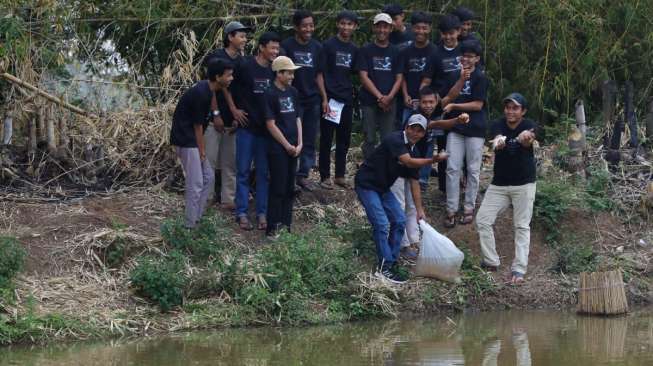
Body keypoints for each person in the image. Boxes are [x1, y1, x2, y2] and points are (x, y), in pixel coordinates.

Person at [355, 114, 448, 284]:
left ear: (423, 134)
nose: (415, 133)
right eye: (413, 128)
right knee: (382, 224)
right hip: (367, 185)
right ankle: (385, 267)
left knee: (399, 220)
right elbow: (408, 162)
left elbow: (414, 183)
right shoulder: (395, 139)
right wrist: (433, 159)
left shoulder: (415, 151)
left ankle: (390, 261)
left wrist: (420, 210)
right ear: (406, 128)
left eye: (420, 131)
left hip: (382, 188)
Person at [391, 87, 466, 258]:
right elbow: (438, 124)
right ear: (419, 102)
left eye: (431, 102)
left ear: (436, 101)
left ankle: (413, 241)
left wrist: (462, 78)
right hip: (400, 166)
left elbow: (451, 95)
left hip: (414, 166)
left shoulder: (435, 110)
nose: (428, 105)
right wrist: (456, 121)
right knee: (400, 205)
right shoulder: (416, 117)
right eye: (424, 102)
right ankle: (402, 245)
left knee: (412, 206)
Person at [476, 93, 537, 285]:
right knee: (482, 220)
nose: (510, 111)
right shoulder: (497, 124)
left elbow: (529, 139)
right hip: (499, 184)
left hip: (524, 184)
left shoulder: (529, 125)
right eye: (508, 107)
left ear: (523, 111)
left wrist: (525, 138)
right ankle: (491, 261)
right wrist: (499, 142)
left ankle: (519, 270)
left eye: (515, 108)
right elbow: (496, 140)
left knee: (521, 226)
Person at [170, 59, 234, 228]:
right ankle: (190, 225)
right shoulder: (201, 93)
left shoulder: (208, 90)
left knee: (208, 177)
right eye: (228, 75)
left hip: (193, 140)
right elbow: (198, 126)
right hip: (186, 139)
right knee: (196, 182)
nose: (231, 78)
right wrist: (202, 151)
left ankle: (197, 217)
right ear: (217, 76)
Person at [232, 32, 281, 231]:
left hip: (265, 131)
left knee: (263, 174)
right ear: (261, 47)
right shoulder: (245, 66)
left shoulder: (275, 70)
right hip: (246, 128)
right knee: (242, 171)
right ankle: (241, 213)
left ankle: (262, 213)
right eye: (272, 48)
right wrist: (233, 110)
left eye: (277, 49)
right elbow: (228, 87)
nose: (275, 52)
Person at [202, 21, 250, 210]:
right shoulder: (216, 58)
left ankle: (228, 200)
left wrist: (237, 115)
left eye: (245, 37)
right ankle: (206, 199)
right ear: (230, 37)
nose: (244, 40)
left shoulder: (243, 62)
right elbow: (212, 89)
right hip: (214, 118)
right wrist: (216, 114)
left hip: (233, 120)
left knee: (231, 163)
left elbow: (240, 91)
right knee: (210, 161)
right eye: (241, 36)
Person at [441, 39, 488, 228]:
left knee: (473, 169)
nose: (466, 59)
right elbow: (446, 100)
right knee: (452, 168)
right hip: (456, 128)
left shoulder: (481, 78)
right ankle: (451, 209)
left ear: (477, 59)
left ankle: (469, 207)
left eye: (470, 56)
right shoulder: (453, 74)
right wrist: (461, 79)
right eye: (464, 56)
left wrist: (455, 106)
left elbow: (478, 104)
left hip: (475, 128)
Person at [281, 10, 325, 191]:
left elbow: (319, 75)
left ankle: (303, 174)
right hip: (292, 99)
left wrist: (324, 98)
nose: (309, 29)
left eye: (311, 25)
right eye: (305, 26)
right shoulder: (286, 46)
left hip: (312, 99)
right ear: (296, 27)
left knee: (309, 137)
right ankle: (288, 174)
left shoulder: (317, 47)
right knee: (290, 136)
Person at [420, 14, 463, 196]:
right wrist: (430, 101)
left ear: (458, 32)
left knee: (463, 146)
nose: (448, 37)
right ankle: (444, 188)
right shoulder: (435, 54)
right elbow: (426, 82)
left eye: (451, 33)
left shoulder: (466, 51)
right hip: (441, 107)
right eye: (445, 33)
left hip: (463, 105)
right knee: (443, 147)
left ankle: (464, 183)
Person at [318, 10, 359, 190]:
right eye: (343, 23)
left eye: (350, 24)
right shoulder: (327, 45)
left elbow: (356, 73)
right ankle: (325, 175)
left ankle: (340, 175)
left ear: (355, 27)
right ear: (337, 24)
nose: (346, 27)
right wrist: (324, 98)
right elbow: (320, 72)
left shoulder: (354, 49)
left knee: (344, 139)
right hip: (331, 98)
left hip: (347, 99)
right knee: (327, 139)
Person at [264, 56, 303, 238]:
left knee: (289, 187)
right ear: (279, 73)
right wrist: (286, 145)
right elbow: (271, 124)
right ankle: (272, 227)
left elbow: (297, 118)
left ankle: (286, 226)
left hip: (294, 147)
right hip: (278, 148)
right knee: (278, 187)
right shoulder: (270, 94)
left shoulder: (293, 92)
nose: (292, 77)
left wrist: (300, 143)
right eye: (289, 73)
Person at [358, 13, 403, 159]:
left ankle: (385, 171)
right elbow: (363, 76)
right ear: (373, 28)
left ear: (391, 29)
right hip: (369, 100)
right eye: (379, 26)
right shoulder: (366, 50)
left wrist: (389, 97)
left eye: (385, 27)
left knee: (388, 138)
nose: (382, 30)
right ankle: (369, 169)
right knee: (369, 138)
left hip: (390, 101)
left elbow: (399, 77)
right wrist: (380, 97)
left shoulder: (396, 51)